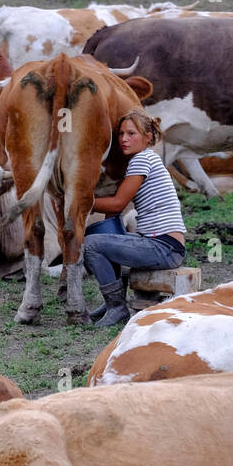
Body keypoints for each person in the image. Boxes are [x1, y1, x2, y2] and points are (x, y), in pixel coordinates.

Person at [82, 109, 186, 326]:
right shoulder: (147, 159)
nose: (124, 139)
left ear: (148, 137)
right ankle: (111, 302)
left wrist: (81, 202)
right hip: (165, 245)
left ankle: (117, 308)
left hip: (164, 247)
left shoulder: (142, 160)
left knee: (92, 244)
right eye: (121, 134)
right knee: (108, 238)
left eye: (131, 133)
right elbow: (115, 212)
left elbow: (119, 203)